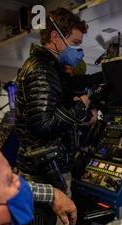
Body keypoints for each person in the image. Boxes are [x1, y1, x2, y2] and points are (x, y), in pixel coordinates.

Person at [15, 7, 102, 195]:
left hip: (47, 169)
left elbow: (68, 89)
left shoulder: (50, 69)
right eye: (74, 42)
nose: (77, 50)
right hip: (45, 174)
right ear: (55, 37)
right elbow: (43, 124)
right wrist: (80, 107)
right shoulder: (41, 70)